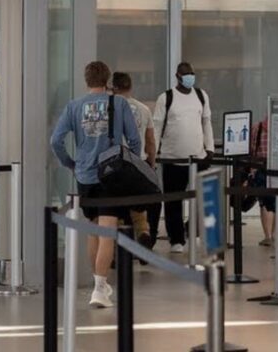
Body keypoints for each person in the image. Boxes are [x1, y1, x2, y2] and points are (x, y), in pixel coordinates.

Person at [50, 61, 141, 309]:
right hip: (111, 176)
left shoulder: (74, 106)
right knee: (108, 230)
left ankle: (98, 284)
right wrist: (133, 166)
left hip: (85, 176)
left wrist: (71, 163)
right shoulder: (119, 104)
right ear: (107, 80)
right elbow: (134, 139)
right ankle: (100, 290)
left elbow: (56, 140)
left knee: (93, 229)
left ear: (86, 80)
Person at [153, 62, 214, 254]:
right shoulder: (166, 98)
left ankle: (194, 230)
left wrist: (210, 148)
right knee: (173, 201)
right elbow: (156, 127)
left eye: (192, 74)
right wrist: (153, 154)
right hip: (172, 158)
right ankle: (176, 239)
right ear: (178, 76)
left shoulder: (201, 96)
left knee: (202, 199)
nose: (190, 78)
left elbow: (206, 122)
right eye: (186, 75)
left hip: (198, 157)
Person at [111, 72, 157, 248]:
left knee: (116, 207)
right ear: (130, 87)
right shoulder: (144, 109)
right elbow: (151, 141)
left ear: (114, 88)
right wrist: (151, 163)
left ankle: (118, 247)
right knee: (138, 208)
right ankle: (143, 233)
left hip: (116, 163)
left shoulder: (110, 108)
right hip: (138, 163)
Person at [249, 116, 277, 247]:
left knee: (264, 204)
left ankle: (268, 236)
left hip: (260, 169)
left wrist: (252, 169)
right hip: (277, 169)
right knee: (276, 202)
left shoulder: (256, 127)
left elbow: (252, 149)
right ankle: (274, 234)